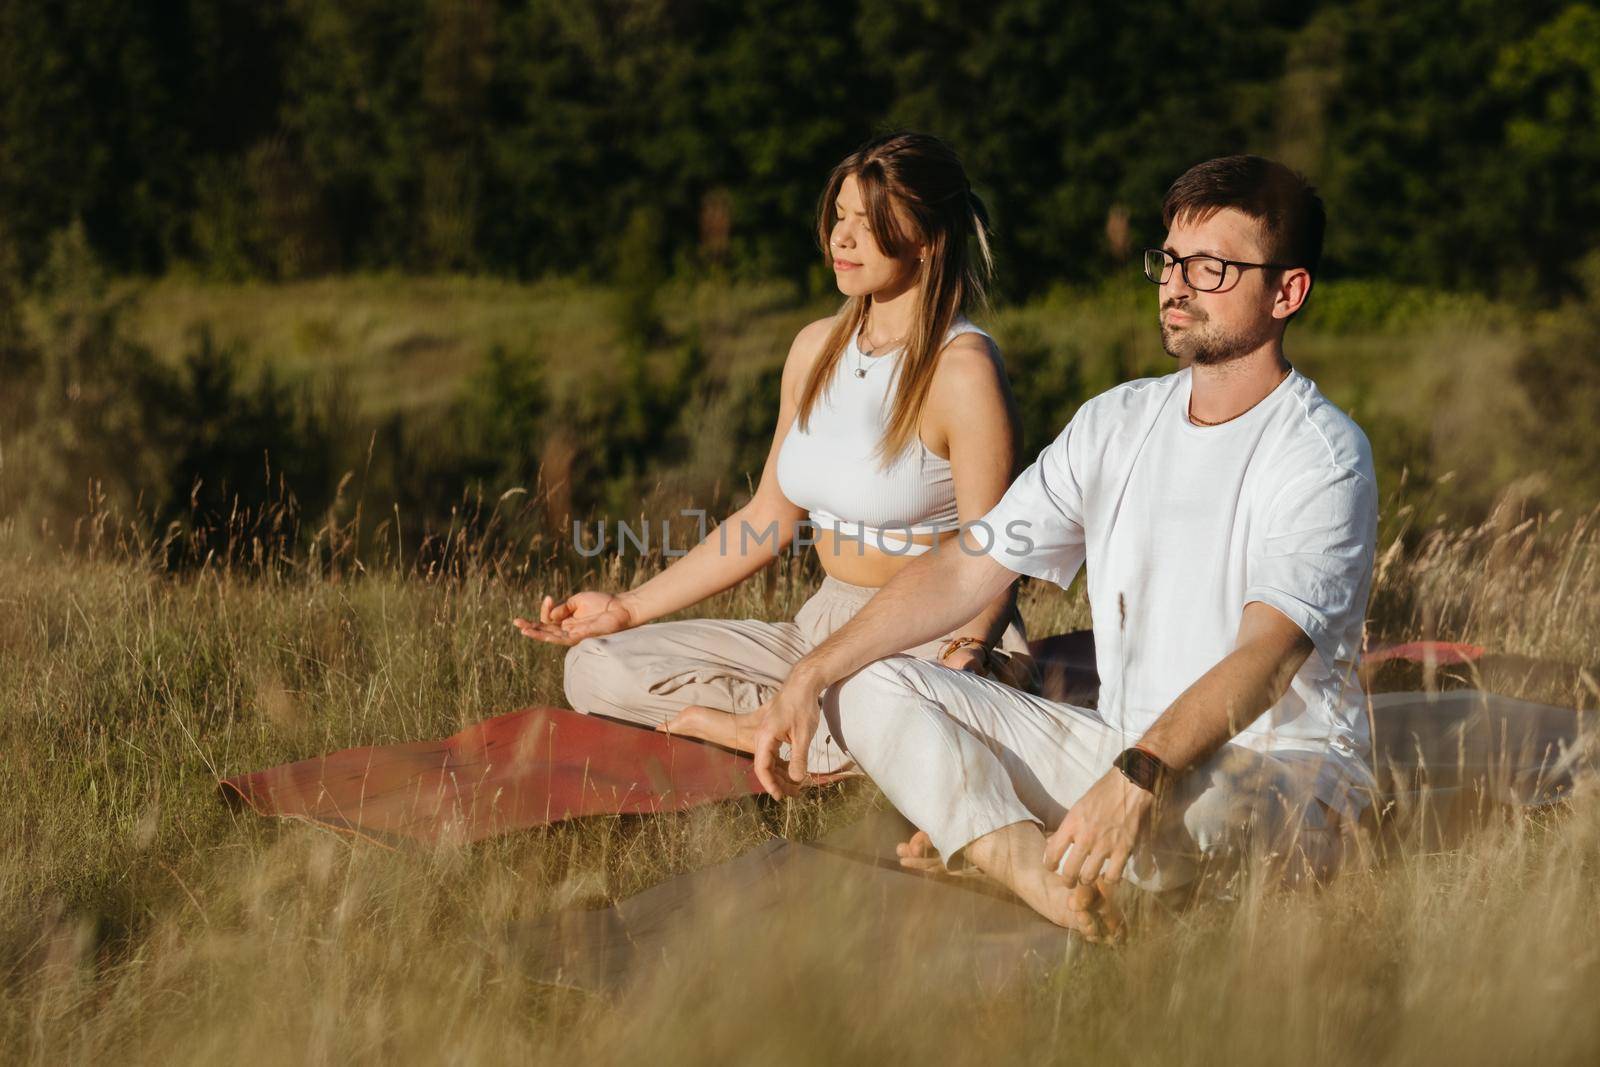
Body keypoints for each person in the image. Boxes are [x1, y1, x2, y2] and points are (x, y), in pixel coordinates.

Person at [747, 155, 1379, 940]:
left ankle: (1028, 839)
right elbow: (968, 565)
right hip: (1120, 752)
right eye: (1171, 260)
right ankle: (1025, 865)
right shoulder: (1116, 421)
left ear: (1287, 291)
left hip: (1274, 777)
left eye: (1212, 267)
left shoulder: (1321, 454)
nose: (1177, 285)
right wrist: (811, 673)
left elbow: (1269, 653)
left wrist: (1139, 775)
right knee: (865, 680)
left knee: (1208, 805)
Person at [513, 131, 1036, 771]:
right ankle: (792, 726)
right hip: (821, 624)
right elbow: (766, 519)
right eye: (839, 217)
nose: (840, 239)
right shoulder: (815, 350)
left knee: (905, 710)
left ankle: (807, 727)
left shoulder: (963, 369)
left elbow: (995, 559)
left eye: (867, 225)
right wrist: (626, 608)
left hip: (931, 639)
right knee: (593, 667)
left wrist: (970, 651)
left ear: (927, 239)